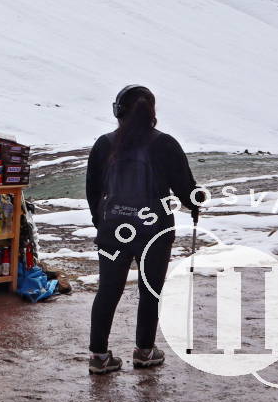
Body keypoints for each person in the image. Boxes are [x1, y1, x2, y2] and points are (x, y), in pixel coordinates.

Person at [85, 85, 200, 374]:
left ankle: (99, 356)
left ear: (118, 111)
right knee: (150, 290)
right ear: (152, 112)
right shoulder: (165, 144)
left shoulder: (104, 143)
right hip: (154, 231)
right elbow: (186, 190)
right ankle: (145, 351)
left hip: (113, 229)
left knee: (108, 290)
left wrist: (102, 222)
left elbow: (93, 190)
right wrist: (196, 200)